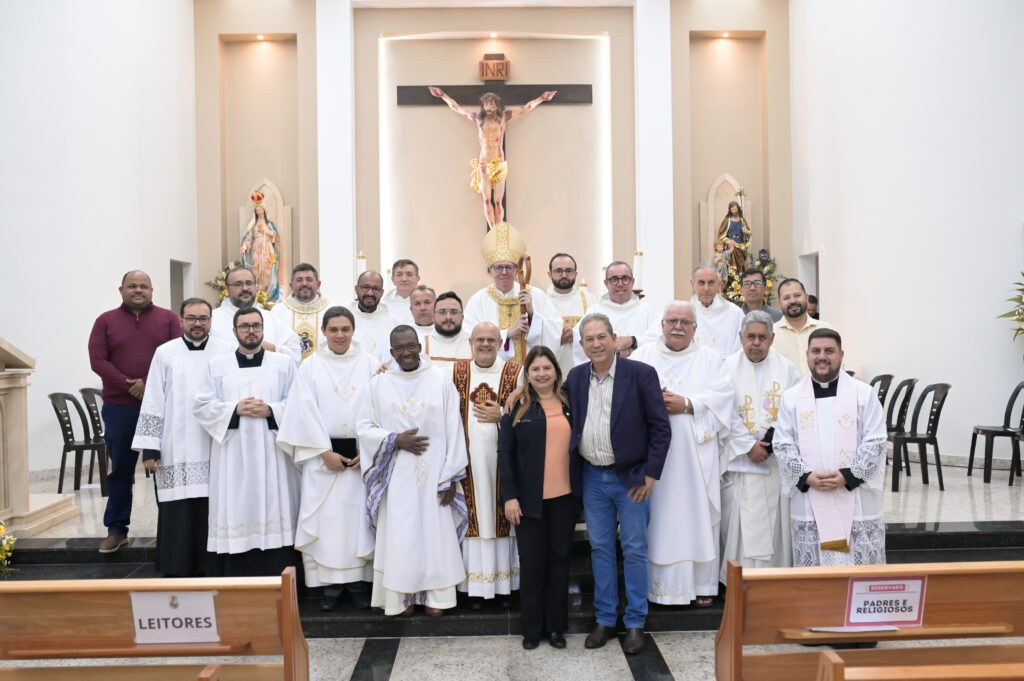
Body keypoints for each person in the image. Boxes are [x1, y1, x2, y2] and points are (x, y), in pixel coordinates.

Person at [567, 313, 671, 655]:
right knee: (600, 548)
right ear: (581, 345)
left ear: (614, 339)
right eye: (589, 339)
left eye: (602, 337)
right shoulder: (576, 377)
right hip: (592, 477)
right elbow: (550, 399)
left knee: (635, 548)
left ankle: (636, 622)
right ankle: (605, 618)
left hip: (632, 478)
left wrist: (650, 475)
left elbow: (660, 427)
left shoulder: (641, 374)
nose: (596, 344)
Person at [357, 326, 469, 616]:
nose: (406, 352)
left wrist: (450, 478)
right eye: (399, 348)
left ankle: (438, 597)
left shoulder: (440, 380)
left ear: (420, 346)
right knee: (402, 535)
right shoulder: (378, 384)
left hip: (435, 476)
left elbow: (454, 428)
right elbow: (364, 427)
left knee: (434, 534)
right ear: (391, 352)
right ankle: (400, 597)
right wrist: (395, 440)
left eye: (411, 346)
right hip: (397, 477)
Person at [632, 302, 734, 607]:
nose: (678, 326)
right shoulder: (642, 357)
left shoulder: (710, 359)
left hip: (695, 457)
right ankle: (660, 588)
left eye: (685, 322)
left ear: (695, 328)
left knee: (696, 516)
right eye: (672, 320)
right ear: (662, 324)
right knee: (659, 520)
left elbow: (724, 397)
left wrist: (687, 404)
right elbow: (625, 397)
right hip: (654, 460)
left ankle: (702, 584)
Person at [276, 306, 376, 610]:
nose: (339, 335)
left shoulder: (370, 364)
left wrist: (368, 451)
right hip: (322, 458)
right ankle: (329, 586)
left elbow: (380, 408)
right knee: (327, 521)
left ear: (354, 330)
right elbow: (301, 412)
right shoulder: (310, 367)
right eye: (333, 330)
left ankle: (359, 583)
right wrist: (323, 452)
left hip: (360, 459)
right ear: (323, 331)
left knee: (358, 521)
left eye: (345, 329)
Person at [193, 306, 300, 576]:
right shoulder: (217, 366)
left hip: (273, 451)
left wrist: (272, 410)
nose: (251, 331)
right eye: (244, 326)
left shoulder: (284, 364)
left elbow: (300, 404)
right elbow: (202, 406)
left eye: (256, 326)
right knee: (235, 507)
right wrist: (234, 409)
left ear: (263, 329)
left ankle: (279, 575)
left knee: (275, 504)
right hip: (233, 454)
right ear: (234, 331)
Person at [131, 297, 233, 575]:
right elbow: (153, 398)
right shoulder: (165, 353)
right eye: (191, 318)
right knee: (178, 507)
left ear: (211, 321)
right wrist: (150, 447)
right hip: (175, 443)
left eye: (203, 318)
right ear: (181, 321)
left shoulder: (226, 351)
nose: (197, 324)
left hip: (215, 442)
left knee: (212, 506)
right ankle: (176, 566)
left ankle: (212, 567)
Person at [774, 329, 887, 567]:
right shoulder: (791, 398)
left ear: (841, 355)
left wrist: (849, 475)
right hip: (810, 496)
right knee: (816, 571)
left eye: (829, 351)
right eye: (816, 351)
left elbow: (875, 441)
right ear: (807, 354)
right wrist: (805, 476)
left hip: (855, 496)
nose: (822, 357)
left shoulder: (864, 394)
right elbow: (783, 443)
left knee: (857, 568)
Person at [89, 270, 180, 554]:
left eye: (143, 286)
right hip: (120, 407)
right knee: (121, 469)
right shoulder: (105, 321)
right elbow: (98, 360)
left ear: (152, 290)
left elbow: (179, 356)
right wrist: (131, 384)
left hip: (162, 408)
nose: (138, 290)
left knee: (164, 468)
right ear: (121, 290)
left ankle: (170, 531)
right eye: (132, 286)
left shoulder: (169, 319)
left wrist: (148, 384)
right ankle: (117, 530)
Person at [499, 346, 574, 650]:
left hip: (564, 499)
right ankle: (531, 630)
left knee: (559, 562)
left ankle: (556, 628)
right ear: (527, 375)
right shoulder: (517, 408)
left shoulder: (571, 403)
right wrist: (510, 497)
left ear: (556, 371)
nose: (542, 374)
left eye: (547, 368)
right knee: (531, 565)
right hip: (527, 502)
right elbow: (505, 454)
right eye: (535, 369)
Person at [720, 311, 801, 583]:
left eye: (762, 337)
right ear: (740, 337)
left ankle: (773, 579)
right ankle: (736, 580)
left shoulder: (788, 369)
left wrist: (768, 445)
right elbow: (722, 410)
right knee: (739, 524)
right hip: (739, 463)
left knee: (773, 524)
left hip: (773, 462)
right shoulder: (726, 368)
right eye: (751, 336)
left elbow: (794, 409)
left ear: (772, 339)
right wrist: (747, 445)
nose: (756, 342)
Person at [453, 322, 523, 605]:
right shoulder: (455, 372)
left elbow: (530, 416)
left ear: (499, 343)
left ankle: (505, 587)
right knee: (474, 522)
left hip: (503, 464)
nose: (485, 345)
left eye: (491, 340)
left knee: (502, 522)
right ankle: (474, 588)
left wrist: (503, 416)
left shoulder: (516, 373)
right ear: (470, 343)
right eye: (480, 340)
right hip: (467, 465)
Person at [428, 87, 556, 230]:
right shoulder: (478, 119)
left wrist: (541, 98)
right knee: (487, 199)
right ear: (483, 106)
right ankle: (493, 229)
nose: (489, 107)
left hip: (499, 163)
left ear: (496, 105)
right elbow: (457, 108)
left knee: (498, 201)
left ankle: (499, 229)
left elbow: (526, 108)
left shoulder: (503, 118)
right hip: (484, 163)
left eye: (492, 104)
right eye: (486, 104)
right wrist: (442, 95)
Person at [463, 221, 562, 364]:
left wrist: (532, 315)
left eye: (509, 267)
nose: (504, 272)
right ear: (490, 271)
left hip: (531, 369)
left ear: (516, 271)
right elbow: (469, 336)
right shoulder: (478, 300)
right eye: (498, 267)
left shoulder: (535, 295)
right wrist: (506, 334)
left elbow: (555, 330)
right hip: (494, 371)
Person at [571, 261, 659, 366]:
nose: (620, 284)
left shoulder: (647, 311)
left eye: (625, 279)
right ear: (606, 283)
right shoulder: (593, 312)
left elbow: (659, 340)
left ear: (632, 282)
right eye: (614, 279)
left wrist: (633, 341)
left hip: (640, 372)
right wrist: (611, 352)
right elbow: (580, 341)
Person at [211, 266, 301, 362]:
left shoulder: (270, 318)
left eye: (249, 283)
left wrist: (273, 348)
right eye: (238, 284)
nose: (245, 288)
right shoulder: (213, 319)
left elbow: (295, 351)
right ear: (227, 289)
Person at [545, 252, 597, 374]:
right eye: (558, 271)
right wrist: (559, 339)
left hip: (586, 371)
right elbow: (535, 340)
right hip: (552, 372)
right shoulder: (542, 302)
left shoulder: (591, 300)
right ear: (550, 274)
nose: (564, 275)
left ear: (576, 274)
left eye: (569, 271)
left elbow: (601, 334)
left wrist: (578, 334)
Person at [773, 279, 834, 375]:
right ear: (780, 303)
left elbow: (836, 365)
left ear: (806, 297)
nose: (792, 301)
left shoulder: (826, 329)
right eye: (786, 298)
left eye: (797, 295)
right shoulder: (771, 334)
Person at [270, 263, 330, 360]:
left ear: (318, 284)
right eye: (299, 280)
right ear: (291, 285)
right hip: (288, 368)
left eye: (309, 279)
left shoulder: (330, 310)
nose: (304, 284)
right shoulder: (278, 312)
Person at [690, 262, 744, 358]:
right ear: (692, 284)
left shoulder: (735, 313)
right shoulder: (683, 314)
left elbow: (741, 350)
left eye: (711, 283)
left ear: (719, 284)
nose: (706, 288)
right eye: (701, 283)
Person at [350, 270, 402, 364]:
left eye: (376, 289)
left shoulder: (395, 322)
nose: (370, 293)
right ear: (356, 289)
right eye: (365, 287)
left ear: (382, 292)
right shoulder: (344, 319)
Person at [240, 193, 284, 302]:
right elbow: (248, 238)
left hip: (266, 248)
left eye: (261, 209)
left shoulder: (269, 223)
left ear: (264, 210)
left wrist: (266, 232)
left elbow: (276, 236)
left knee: (266, 269)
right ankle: (257, 292)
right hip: (256, 248)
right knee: (255, 270)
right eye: (257, 210)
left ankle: (267, 293)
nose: (259, 211)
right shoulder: (253, 224)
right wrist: (245, 246)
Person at [424, 291, 472, 365]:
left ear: (462, 317)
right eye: (442, 312)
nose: (448, 317)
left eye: (454, 312)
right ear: (433, 317)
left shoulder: (474, 345)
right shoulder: (421, 346)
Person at [717, 200, 751, 275]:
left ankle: (740, 276)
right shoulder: (727, 221)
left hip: (741, 246)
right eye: (732, 210)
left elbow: (748, 235)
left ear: (738, 209)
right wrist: (728, 241)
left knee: (741, 265)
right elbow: (721, 235)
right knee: (732, 264)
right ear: (730, 210)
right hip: (731, 246)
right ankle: (733, 277)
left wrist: (746, 232)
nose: (734, 211)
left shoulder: (742, 220)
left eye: (735, 209)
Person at [383, 258, 420, 324]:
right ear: (393, 280)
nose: (404, 279)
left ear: (418, 279)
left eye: (409, 274)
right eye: (399, 275)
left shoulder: (428, 303)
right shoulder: (383, 304)